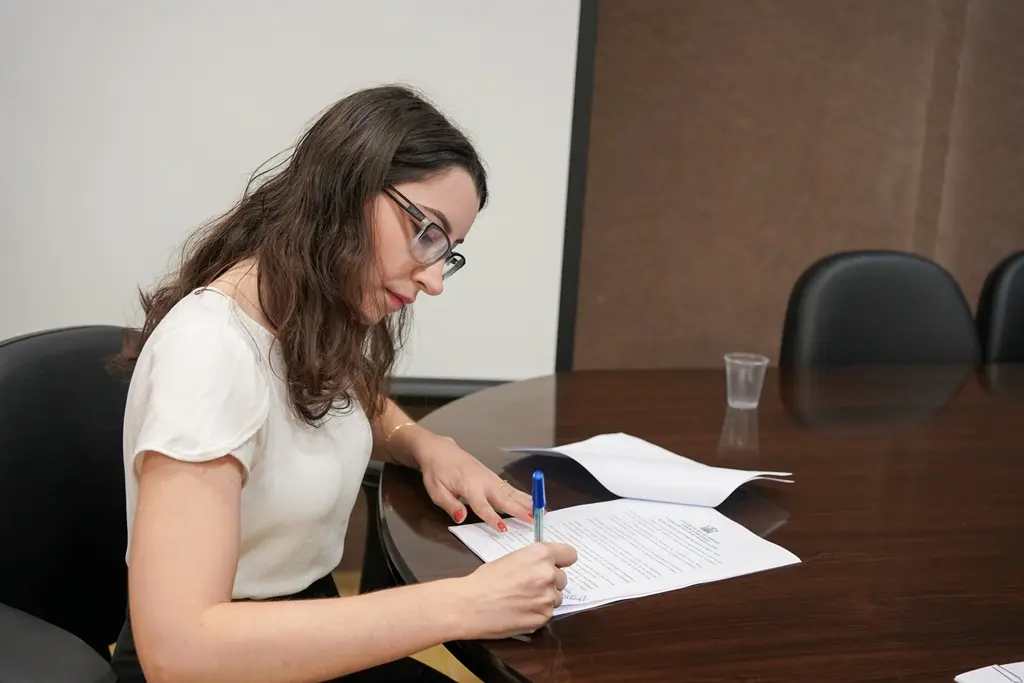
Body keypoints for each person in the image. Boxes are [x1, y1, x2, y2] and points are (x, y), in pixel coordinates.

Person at [109, 84, 578, 683]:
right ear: (349, 187)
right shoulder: (208, 352)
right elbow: (180, 653)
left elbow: (340, 394)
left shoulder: (295, 307)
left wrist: (423, 444)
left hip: (300, 631)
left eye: (449, 252)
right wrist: (464, 604)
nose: (435, 281)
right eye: (427, 233)